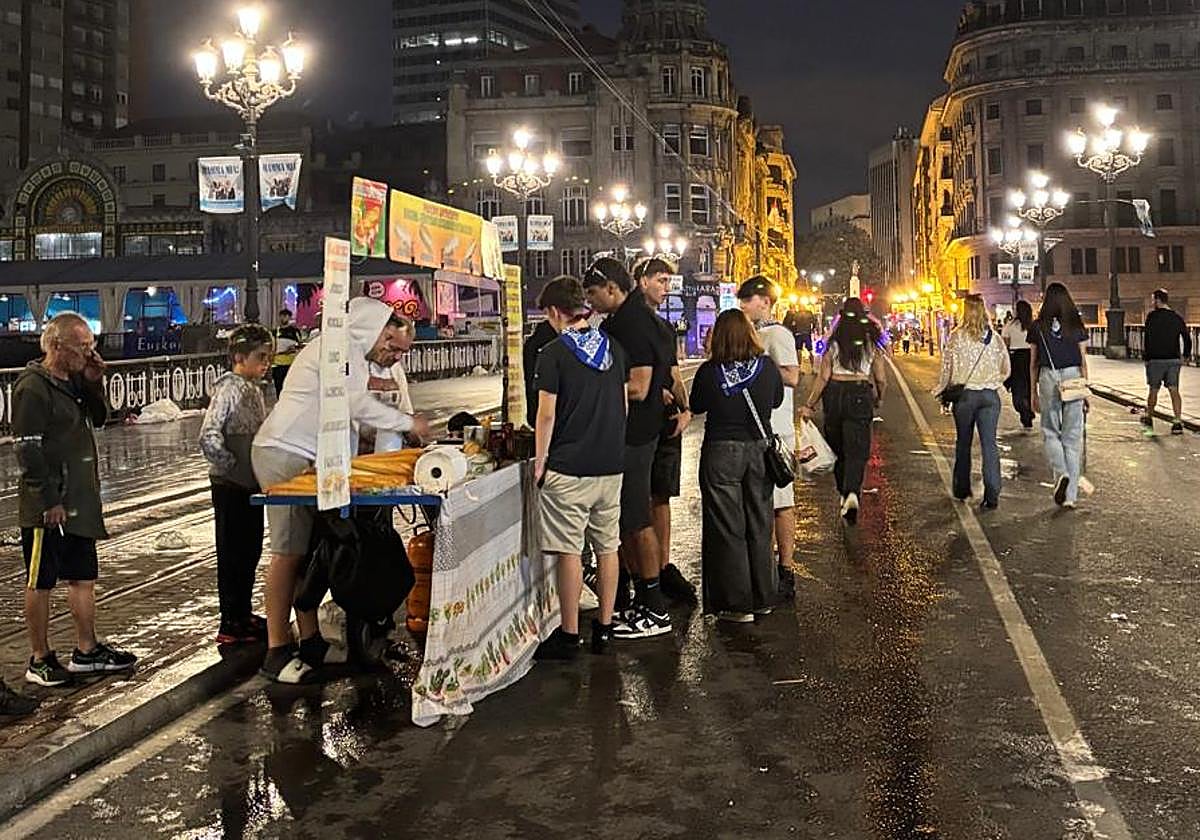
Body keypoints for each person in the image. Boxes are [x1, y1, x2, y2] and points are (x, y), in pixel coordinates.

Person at [252, 298, 432, 682]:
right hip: (284, 453)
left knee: (316, 546)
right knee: (288, 553)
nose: (394, 357)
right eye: (393, 347)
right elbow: (354, 405)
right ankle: (276, 650)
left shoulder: (352, 351)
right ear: (380, 330)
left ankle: (312, 638)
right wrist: (407, 423)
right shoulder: (341, 347)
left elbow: (354, 399)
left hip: (313, 460)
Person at [13, 313, 137, 687]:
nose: (89, 353)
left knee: (83, 576)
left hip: (80, 502)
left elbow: (100, 419)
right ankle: (40, 657)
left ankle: (87, 648)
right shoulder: (33, 388)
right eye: (82, 347)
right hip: (47, 507)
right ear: (57, 346)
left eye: (91, 345)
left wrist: (94, 383)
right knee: (42, 580)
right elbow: (27, 449)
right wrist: (48, 498)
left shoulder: (74, 382)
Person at [531, 276, 627, 659]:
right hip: (610, 465)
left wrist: (540, 463)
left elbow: (546, 415)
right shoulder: (614, 349)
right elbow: (623, 406)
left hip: (569, 468)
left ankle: (569, 634)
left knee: (569, 551)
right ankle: (605, 627)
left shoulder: (553, 353)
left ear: (556, 312)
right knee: (608, 546)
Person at [584, 257, 673, 639]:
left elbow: (638, 385)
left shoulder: (631, 323)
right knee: (627, 521)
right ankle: (641, 598)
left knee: (637, 520)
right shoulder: (635, 317)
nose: (590, 303)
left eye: (592, 294)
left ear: (610, 288)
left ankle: (654, 608)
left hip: (636, 434)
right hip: (639, 431)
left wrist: (594, 391)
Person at [689, 309, 783, 622]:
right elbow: (777, 400)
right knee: (759, 521)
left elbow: (697, 405)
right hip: (758, 450)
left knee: (727, 527)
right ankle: (763, 597)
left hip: (721, 451)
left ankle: (736, 603)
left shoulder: (710, 371)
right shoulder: (766, 367)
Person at [200, 325, 273, 645]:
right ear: (239, 357)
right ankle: (231, 619)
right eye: (261, 357)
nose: (267, 363)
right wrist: (231, 467)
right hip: (232, 485)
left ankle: (242, 612)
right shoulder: (230, 389)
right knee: (233, 553)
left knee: (250, 549)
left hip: (249, 483)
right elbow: (209, 434)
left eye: (269, 357)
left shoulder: (253, 388)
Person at [636, 258, 697, 606]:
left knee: (661, 497)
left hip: (666, 425)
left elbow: (674, 373)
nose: (666, 288)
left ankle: (663, 565)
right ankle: (644, 575)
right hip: (639, 426)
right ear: (641, 281)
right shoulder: (627, 325)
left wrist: (686, 411)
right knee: (638, 502)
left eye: (668, 282)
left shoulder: (662, 327)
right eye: (660, 280)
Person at [799, 298, 887, 525]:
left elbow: (823, 377)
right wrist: (878, 397)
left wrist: (810, 404)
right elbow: (880, 378)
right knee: (857, 450)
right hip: (859, 393)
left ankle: (842, 492)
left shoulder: (834, 343)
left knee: (837, 448)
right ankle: (851, 493)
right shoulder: (871, 344)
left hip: (834, 395)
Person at [738, 276, 800, 581]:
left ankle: (786, 566)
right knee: (757, 504)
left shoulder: (778, 335)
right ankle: (762, 566)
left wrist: (758, 367)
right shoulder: (750, 334)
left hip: (777, 431)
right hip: (752, 428)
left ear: (764, 300)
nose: (743, 306)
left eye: (747, 300)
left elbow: (792, 377)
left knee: (781, 503)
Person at [934, 295, 1010, 510]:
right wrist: (995, 380)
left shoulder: (956, 337)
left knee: (964, 442)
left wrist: (943, 390)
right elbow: (1006, 366)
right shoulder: (993, 337)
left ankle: (961, 487)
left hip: (966, 397)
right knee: (989, 444)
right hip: (989, 396)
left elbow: (947, 368)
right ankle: (992, 492)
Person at [1029, 282, 1089, 509]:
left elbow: (1033, 364)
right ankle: (1070, 497)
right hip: (1073, 376)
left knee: (1050, 431)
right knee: (1072, 438)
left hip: (1048, 376)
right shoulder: (1075, 324)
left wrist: (1032, 391)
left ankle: (1061, 473)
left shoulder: (1038, 326)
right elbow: (1083, 359)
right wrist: (1086, 390)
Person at [364, 314, 417, 453]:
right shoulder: (349, 366)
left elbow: (405, 410)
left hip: (388, 455)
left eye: (403, 352)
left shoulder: (395, 368)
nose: (398, 357)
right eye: (394, 348)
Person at [1142, 288, 1191, 435]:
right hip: (1173, 359)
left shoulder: (1151, 317)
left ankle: (1149, 418)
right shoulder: (1176, 317)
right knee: (1174, 389)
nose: (1152, 303)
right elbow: (1187, 337)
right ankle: (1177, 421)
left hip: (1156, 359)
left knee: (1153, 390)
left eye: (1153, 300)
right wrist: (1185, 355)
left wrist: (1146, 358)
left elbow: (1148, 339)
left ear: (1157, 300)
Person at [1002, 299, 1036, 431]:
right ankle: (1028, 411)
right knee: (1029, 387)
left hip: (1016, 359)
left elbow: (1005, 345)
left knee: (1017, 389)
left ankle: (1025, 411)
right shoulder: (1032, 326)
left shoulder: (1010, 326)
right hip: (1030, 357)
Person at [523, 313, 559, 429]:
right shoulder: (554, 349)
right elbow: (547, 414)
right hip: (559, 423)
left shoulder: (532, 344)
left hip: (535, 415)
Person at [272, 309, 302, 398]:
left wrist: (293, 348)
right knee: (278, 385)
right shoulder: (275, 331)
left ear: (289, 317)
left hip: (290, 363)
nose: (283, 318)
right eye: (282, 316)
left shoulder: (294, 331)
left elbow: (300, 345)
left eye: (286, 316)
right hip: (278, 363)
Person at [783, 307, 815, 372]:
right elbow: (814, 323)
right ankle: (813, 368)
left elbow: (792, 324)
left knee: (799, 350)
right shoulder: (809, 314)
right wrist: (812, 329)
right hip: (806, 333)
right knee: (810, 350)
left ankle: (799, 368)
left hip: (798, 334)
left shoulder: (795, 315)